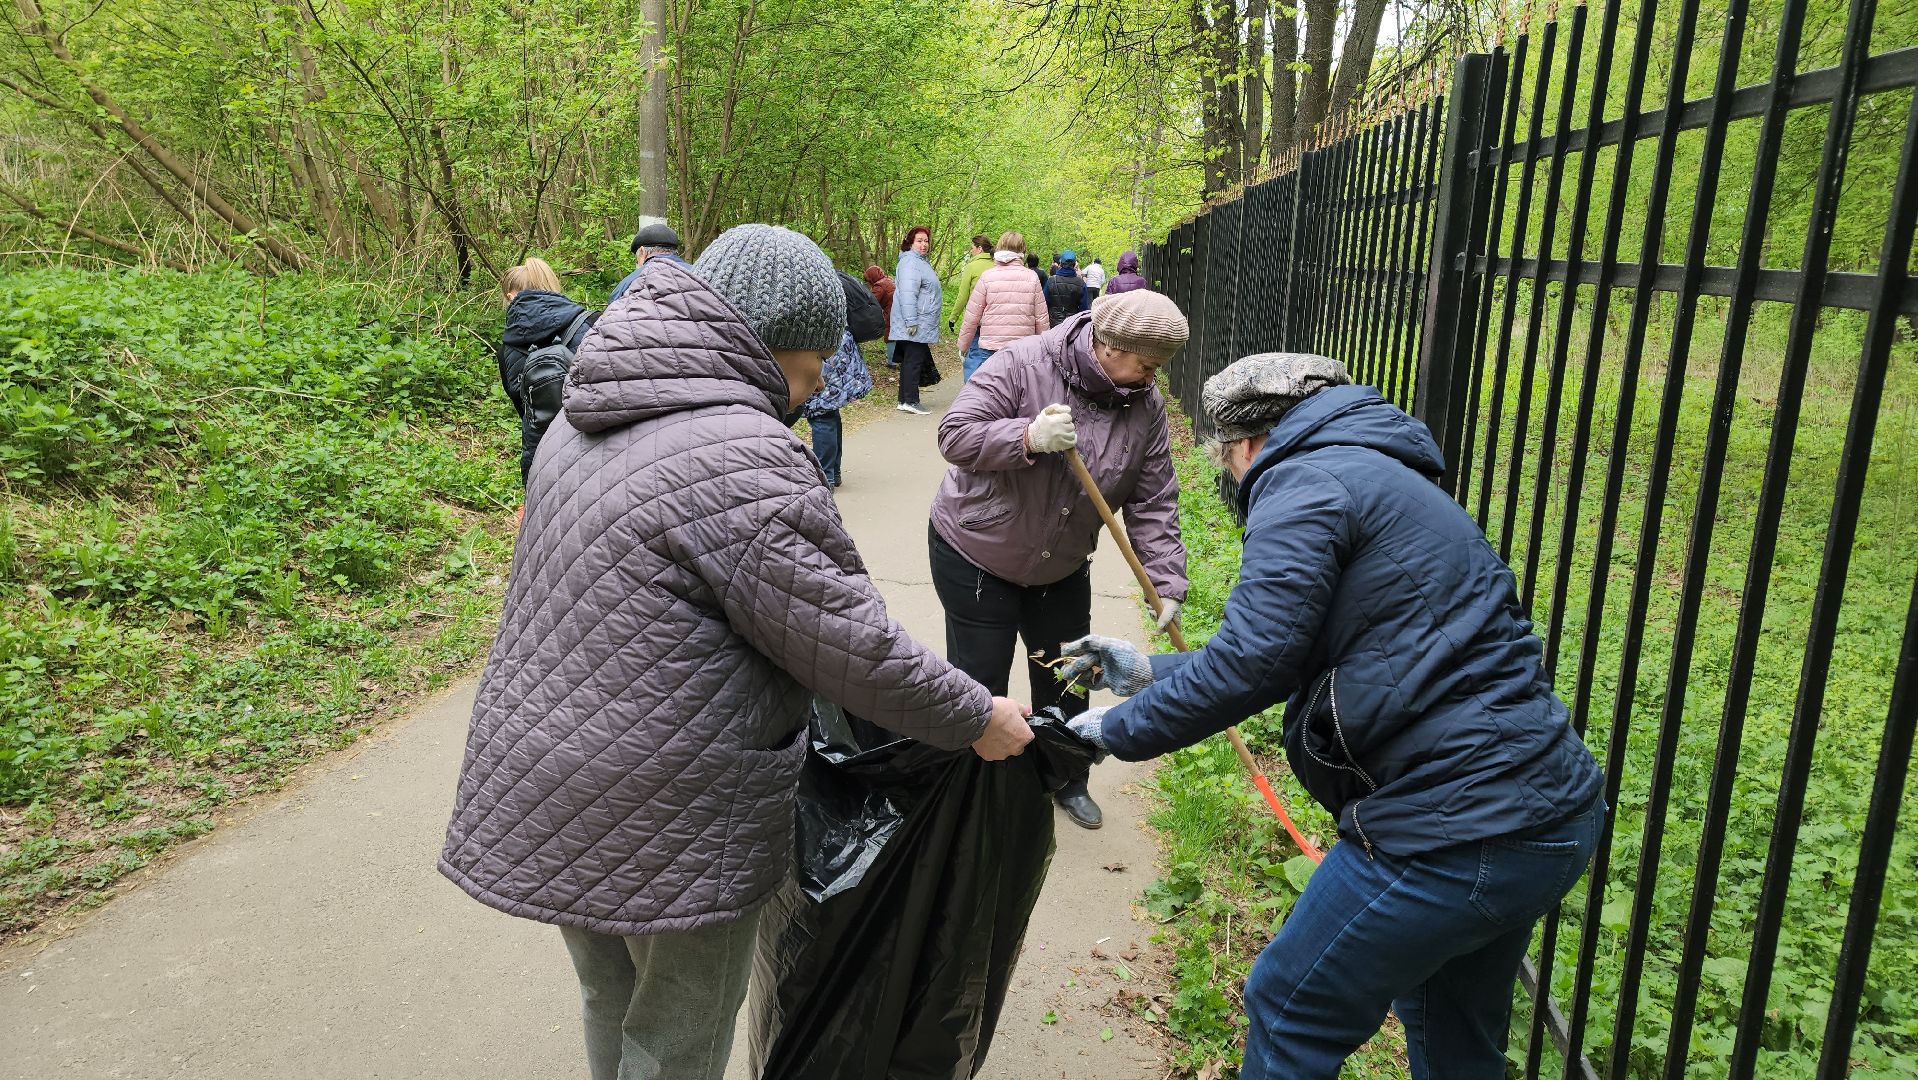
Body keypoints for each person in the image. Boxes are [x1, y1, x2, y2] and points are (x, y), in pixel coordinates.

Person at [441, 223, 1036, 1080]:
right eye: (813, 365)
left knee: (611, 998)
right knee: (679, 1031)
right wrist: (977, 715)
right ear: (779, 343)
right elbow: (852, 647)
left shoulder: (585, 410)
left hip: (546, 768)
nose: (810, 389)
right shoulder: (745, 455)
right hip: (671, 803)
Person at [1057, 353, 1606, 1080]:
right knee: (1453, 1032)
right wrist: (1147, 673)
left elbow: (1256, 664)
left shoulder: (1302, 482)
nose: (1230, 475)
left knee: (1290, 1007)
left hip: (1450, 829)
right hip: (1546, 818)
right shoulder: (1375, 473)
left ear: (1248, 444)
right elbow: (1289, 647)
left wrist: (1108, 732)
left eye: (1225, 459)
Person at [932, 288, 1189, 832]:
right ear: (1107, 343)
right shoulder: (1023, 364)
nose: (1151, 378)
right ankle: (976, 793)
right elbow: (954, 435)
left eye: (1159, 368)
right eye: (1145, 365)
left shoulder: (1146, 405)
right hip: (978, 552)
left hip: (1062, 563)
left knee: (1069, 678)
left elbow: (1153, 498)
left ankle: (1066, 779)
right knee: (981, 685)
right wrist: (1025, 435)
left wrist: (1164, 581)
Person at [498, 257, 597, 484]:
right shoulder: (592, 323)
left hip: (541, 456)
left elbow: (522, 407)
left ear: (511, 297)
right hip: (594, 444)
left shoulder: (505, 351)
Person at [955, 230, 1048, 382]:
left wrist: (963, 345)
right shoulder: (1032, 277)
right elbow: (1041, 318)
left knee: (987, 394)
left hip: (990, 349)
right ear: (1022, 250)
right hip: (1022, 350)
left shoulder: (988, 276)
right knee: (1017, 395)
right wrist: (1043, 350)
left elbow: (972, 316)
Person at [802, 327, 874, 488]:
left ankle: (825, 476)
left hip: (823, 348)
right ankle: (833, 472)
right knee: (828, 413)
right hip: (836, 345)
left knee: (820, 414)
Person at [889, 225, 942, 415]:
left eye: (926, 241)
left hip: (919, 321)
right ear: (910, 242)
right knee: (914, 361)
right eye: (919, 241)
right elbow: (908, 294)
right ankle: (911, 400)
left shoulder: (919, 262)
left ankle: (904, 399)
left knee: (910, 361)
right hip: (915, 322)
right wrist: (911, 321)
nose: (924, 244)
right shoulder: (911, 263)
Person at [608, 222, 690, 303]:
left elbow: (613, 307)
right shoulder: (696, 272)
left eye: (637, 259)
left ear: (643, 252)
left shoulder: (629, 282)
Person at [948, 233, 995, 340]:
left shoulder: (971, 267)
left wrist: (953, 318)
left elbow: (963, 296)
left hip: (976, 318)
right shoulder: (996, 265)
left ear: (980, 249)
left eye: (972, 248)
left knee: (974, 350)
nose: (971, 251)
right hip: (995, 318)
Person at [1044, 250, 1091, 327]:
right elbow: (1084, 309)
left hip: (1054, 324)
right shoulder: (1081, 283)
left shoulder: (1051, 281)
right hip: (1072, 325)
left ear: (1060, 263)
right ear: (1074, 264)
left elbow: (1045, 304)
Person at [864, 264, 897, 366]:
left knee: (890, 335)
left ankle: (892, 362)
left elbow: (872, 302)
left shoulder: (879, 286)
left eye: (868, 280)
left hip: (892, 313)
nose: (868, 282)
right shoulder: (889, 280)